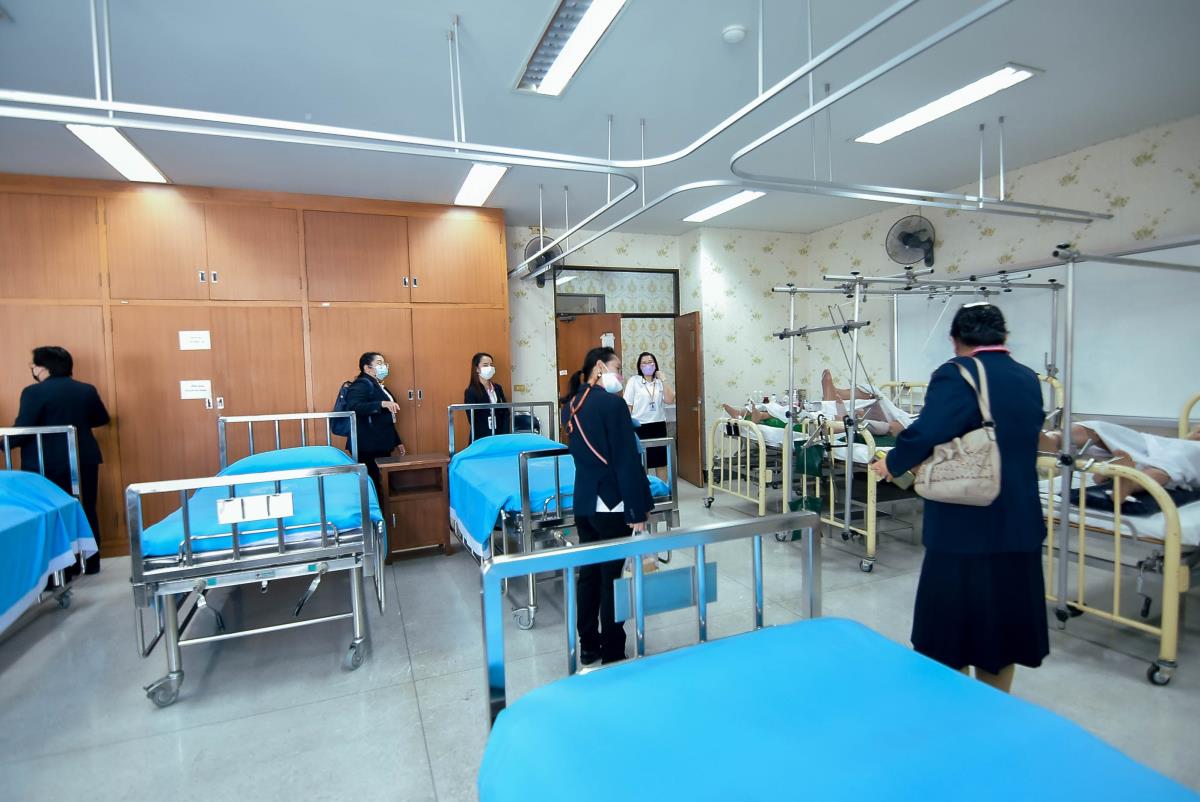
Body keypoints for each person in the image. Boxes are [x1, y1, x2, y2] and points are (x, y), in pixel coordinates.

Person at [869, 303, 1047, 693]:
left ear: (955, 340)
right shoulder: (1028, 378)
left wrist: (892, 463)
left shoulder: (957, 374)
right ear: (1005, 337)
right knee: (1002, 636)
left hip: (965, 528)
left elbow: (929, 431)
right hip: (1019, 524)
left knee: (950, 635)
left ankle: (958, 712)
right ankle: (994, 707)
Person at [561, 347, 653, 666]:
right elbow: (626, 460)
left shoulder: (570, 405)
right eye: (617, 368)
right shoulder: (613, 404)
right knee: (611, 577)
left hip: (584, 502)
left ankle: (588, 644)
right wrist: (638, 508)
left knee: (589, 574)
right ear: (599, 367)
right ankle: (613, 649)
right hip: (612, 504)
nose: (621, 375)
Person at [14, 346, 110, 575]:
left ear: (43, 368)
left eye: (33, 365)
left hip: (45, 462)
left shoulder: (33, 392)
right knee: (86, 508)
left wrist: (4, 442)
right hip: (83, 458)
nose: (33, 369)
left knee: (52, 513)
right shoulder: (86, 390)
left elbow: (22, 430)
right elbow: (101, 418)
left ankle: (63, 569)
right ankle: (91, 562)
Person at [1040, 422, 1200, 489]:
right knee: (1098, 427)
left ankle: (1129, 483)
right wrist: (1188, 438)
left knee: (1182, 454)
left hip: (1185, 452)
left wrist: (1189, 443)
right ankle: (1053, 440)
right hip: (1160, 444)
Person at [344, 352, 405, 488]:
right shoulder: (361, 384)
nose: (384, 366)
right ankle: (376, 503)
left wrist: (397, 441)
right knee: (373, 482)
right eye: (379, 363)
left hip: (380, 442)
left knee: (381, 482)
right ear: (367, 368)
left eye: (384, 363)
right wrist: (381, 404)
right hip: (368, 445)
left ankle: (381, 502)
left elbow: (387, 417)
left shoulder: (378, 385)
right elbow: (354, 406)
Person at [623, 352, 675, 480]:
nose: (648, 365)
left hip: (658, 425)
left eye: (650, 362)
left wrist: (664, 379)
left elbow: (669, 400)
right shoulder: (634, 381)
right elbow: (628, 405)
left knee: (661, 462)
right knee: (641, 462)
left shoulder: (659, 382)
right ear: (639, 366)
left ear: (655, 364)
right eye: (644, 363)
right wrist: (626, 427)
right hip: (639, 426)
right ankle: (643, 489)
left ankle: (662, 488)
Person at [463, 352, 510, 442]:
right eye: (485, 365)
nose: (489, 368)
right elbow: (473, 419)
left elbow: (505, 412)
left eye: (491, 365)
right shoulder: (471, 391)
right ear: (477, 369)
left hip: (500, 435)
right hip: (481, 437)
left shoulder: (497, 388)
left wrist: (504, 434)